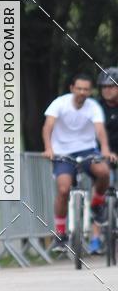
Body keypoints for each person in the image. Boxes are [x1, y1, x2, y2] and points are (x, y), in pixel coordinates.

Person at [42, 73, 113, 254]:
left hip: (87, 150)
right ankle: (60, 233)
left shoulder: (93, 107)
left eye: (86, 89)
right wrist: (49, 148)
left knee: (104, 172)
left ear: (90, 91)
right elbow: (48, 126)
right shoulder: (60, 103)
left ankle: (97, 203)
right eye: (79, 88)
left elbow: (99, 129)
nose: (82, 92)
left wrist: (104, 148)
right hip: (63, 152)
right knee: (64, 189)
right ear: (72, 88)